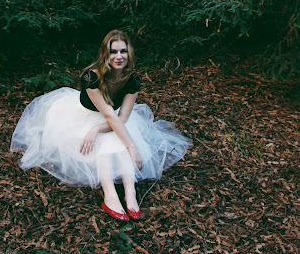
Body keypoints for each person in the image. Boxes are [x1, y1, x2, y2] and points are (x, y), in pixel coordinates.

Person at [10, 30, 191, 221]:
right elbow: (109, 115)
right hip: (80, 117)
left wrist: (99, 129)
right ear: (106, 54)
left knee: (116, 136)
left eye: (123, 51)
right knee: (108, 142)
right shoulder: (92, 78)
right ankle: (110, 195)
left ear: (129, 53)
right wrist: (130, 145)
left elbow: (122, 118)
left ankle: (130, 194)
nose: (119, 57)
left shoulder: (132, 80)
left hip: (113, 119)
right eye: (113, 52)